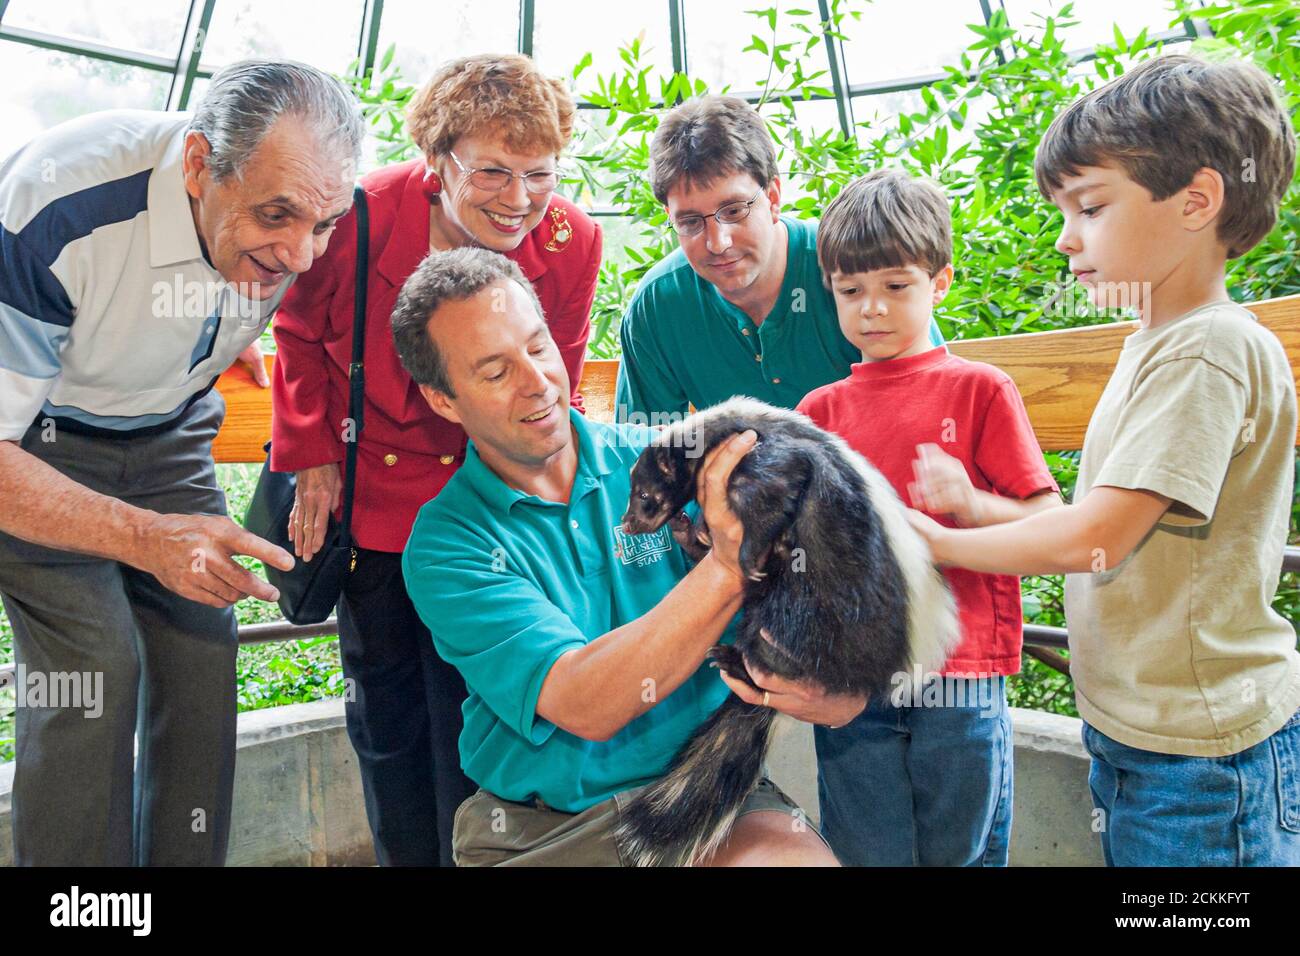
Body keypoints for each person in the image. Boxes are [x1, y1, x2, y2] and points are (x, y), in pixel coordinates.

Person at [908, 54, 1300, 866]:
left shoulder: (1207, 351)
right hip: (1148, 734)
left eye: (1091, 207)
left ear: (1196, 201)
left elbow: (1103, 537)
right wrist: (978, 508)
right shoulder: (1155, 341)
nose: (1065, 237)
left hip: (1200, 755)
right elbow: (1098, 514)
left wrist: (934, 543)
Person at [0, 60, 362, 865]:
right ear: (199, 165)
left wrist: (314, 454)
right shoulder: (55, 204)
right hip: (32, 444)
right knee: (93, 670)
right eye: (279, 215)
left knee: (203, 646)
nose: (303, 255)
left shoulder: (303, 218)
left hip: (169, 437)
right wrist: (145, 538)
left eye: (325, 223)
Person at [395, 248, 855, 865]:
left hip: (707, 795)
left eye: (537, 347)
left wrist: (837, 689)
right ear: (443, 400)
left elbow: (815, 617)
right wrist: (726, 565)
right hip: (540, 832)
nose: (537, 383)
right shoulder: (448, 543)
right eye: (495, 371)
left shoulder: (672, 462)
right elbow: (587, 703)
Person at [270, 53, 601, 866]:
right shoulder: (357, 215)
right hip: (378, 507)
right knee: (387, 721)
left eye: (540, 173)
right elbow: (300, 335)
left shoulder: (572, 240)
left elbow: (563, 373)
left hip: (494, 510)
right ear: (436, 158)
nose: (519, 199)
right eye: (492, 170)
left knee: (483, 716)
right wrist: (312, 457)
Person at [795, 169, 1062, 866]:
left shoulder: (980, 389)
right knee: (867, 850)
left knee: (960, 851)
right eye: (850, 291)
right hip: (856, 679)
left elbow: (1046, 519)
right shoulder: (818, 414)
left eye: (895, 287)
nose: (872, 309)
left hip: (961, 670)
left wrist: (971, 506)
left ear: (940, 282)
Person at [614, 94, 943, 422]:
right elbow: (646, 447)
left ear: (773, 197)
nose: (718, 242)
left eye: (734, 210)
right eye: (690, 222)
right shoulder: (657, 306)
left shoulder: (853, 263)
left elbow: (935, 396)